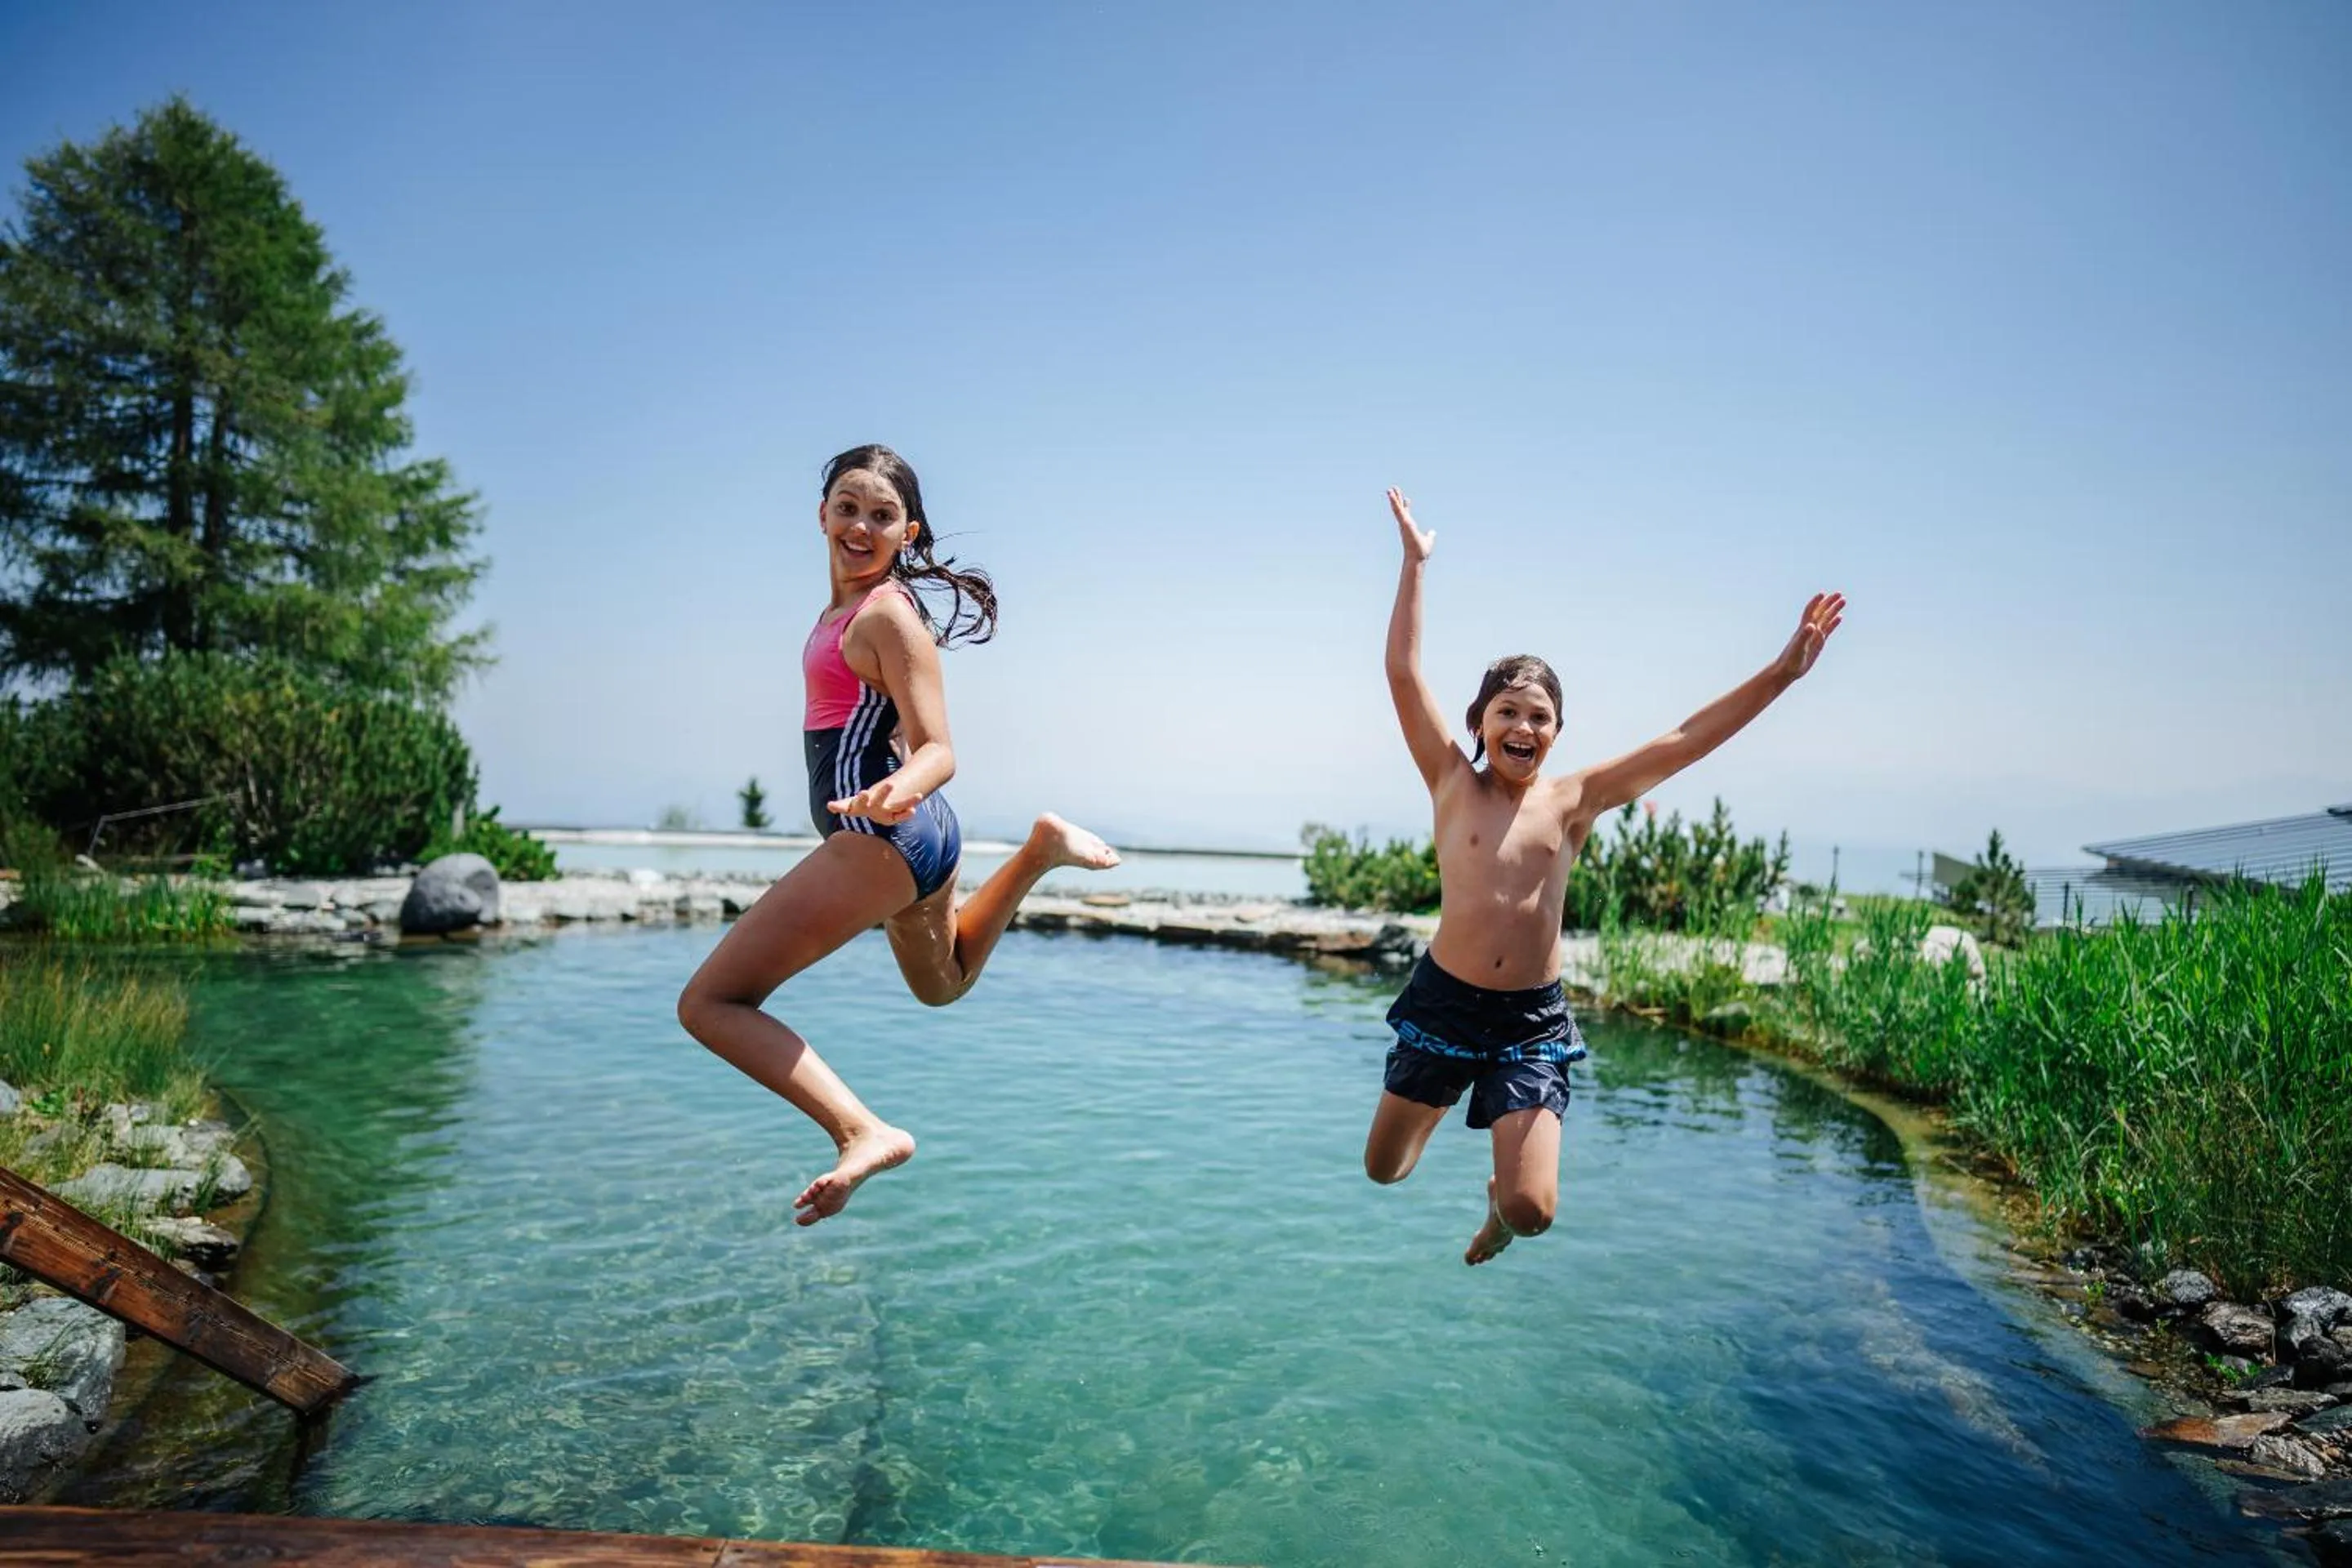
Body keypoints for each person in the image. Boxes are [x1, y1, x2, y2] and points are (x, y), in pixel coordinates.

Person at [1366, 487, 1844, 1264]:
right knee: (1384, 1170)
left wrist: (1782, 673)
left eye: (1540, 716)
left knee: (1533, 1212)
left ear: (1557, 733)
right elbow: (1399, 670)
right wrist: (1415, 564)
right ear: (1480, 722)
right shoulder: (1454, 784)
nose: (1524, 726)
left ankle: (1498, 1208)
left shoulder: (1576, 801)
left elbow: (1685, 738)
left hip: (1529, 1022)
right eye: (1509, 711)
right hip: (1444, 1004)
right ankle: (1461, 1134)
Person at [677, 444, 1120, 1226]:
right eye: (847, 507)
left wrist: (897, 790)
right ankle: (1038, 850)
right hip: (915, 840)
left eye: (881, 515)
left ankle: (863, 1131)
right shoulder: (842, 612)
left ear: (907, 533)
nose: (860, 525)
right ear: (821, 515)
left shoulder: (885, 612)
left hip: (881, 838)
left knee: (711, 1002)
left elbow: (939, 747)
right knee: (942, 985)